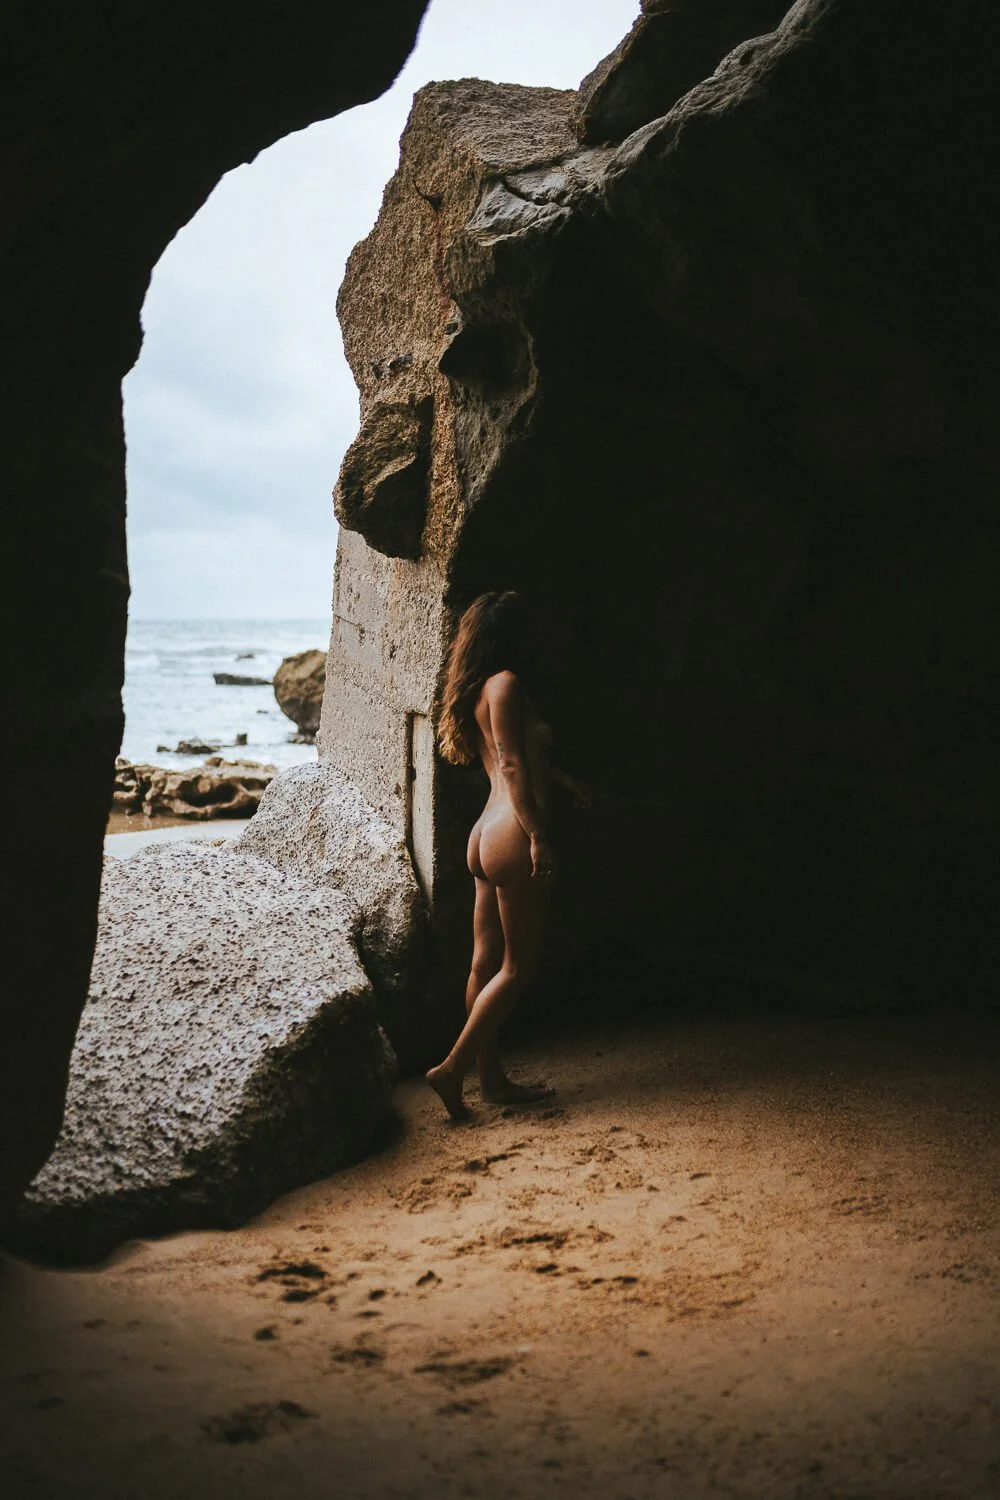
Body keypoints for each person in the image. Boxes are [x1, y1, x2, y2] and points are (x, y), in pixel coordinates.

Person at [426, 591, 590, 1119]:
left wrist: (562, 780)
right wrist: (539, 835)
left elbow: (506, 759)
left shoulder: (478, 692)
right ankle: (453, 1069)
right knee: (518, 968)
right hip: (512, 834)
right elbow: (514, 766)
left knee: (484, 963)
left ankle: (490, 1079)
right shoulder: (507, 684)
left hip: (485, 834)